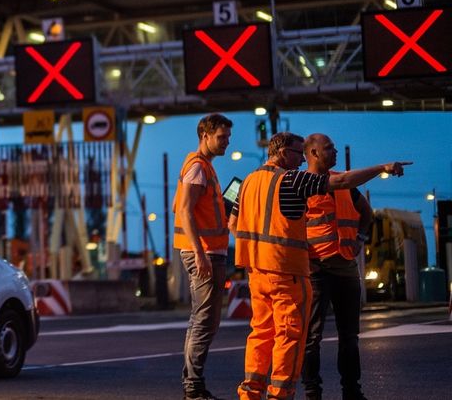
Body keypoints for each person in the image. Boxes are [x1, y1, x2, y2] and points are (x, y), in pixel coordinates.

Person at [228, 132, 408, 400]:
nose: (301, 160)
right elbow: (343, 180)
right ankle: (281, 395)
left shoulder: (246, 183)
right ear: (281, 153)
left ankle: (250, 394)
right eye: (297, 154)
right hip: (288, 270)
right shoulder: (291, 180)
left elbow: (232, 224)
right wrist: (382, 167)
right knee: (290, 335)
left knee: (261, 334)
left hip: (257, 273)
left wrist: (257, 251)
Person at [301, 134, 373, 400]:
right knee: (312, 337)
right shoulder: (302, 186)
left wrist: (360, 239)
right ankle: (312, 392)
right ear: (314, 153)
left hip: (345, 267)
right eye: (329, 149)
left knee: (350, 336)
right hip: (315, 270)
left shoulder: (344, 184)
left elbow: (367, 213)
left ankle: (352, 391)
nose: (334, 152)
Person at [174, 113, 232, 400]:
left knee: (205, 319)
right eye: (221, 137)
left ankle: (193, 383)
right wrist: (199, 253)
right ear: (205, 136)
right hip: (204, 252)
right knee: (204, 319)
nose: (226, 142)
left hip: (210, 250)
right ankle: (193, 387)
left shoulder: (206, 168)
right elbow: (185, 210)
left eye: (228, 137)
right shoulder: (198, 168)